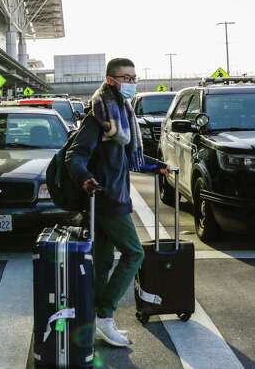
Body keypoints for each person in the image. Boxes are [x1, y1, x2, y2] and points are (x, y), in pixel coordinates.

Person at [65, 58, 166, 348]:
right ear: (111, 80)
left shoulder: (121, 112)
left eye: (134, 77)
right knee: (134, 254)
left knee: (104, 262)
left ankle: (97, 320)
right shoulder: (99, 117)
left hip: (113, 197)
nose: (132, 83)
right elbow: (76, 155)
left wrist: (157, 166)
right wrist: (85, 178)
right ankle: (104, 315)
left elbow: (127, 158)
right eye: (126, 77)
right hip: (107, 199)